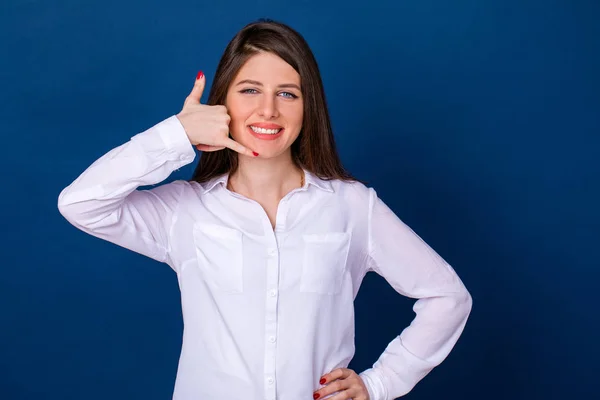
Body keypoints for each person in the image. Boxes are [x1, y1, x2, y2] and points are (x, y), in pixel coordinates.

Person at [58, 19, 472, 400]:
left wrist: (380, 384)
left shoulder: (352, 207)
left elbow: (447, 297)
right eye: (250, 90)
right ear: (223, 103)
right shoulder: (183, 210)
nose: (268, 110)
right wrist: (178, 134)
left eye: (287, 94)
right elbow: (80, 203)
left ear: (308, 108)